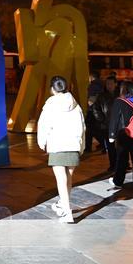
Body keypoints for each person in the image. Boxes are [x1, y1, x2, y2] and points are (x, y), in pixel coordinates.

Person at [36, 76, 85, 224]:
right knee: (68, 178)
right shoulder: (76, 105)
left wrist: (42, 142)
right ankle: (62, 204)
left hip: (58, 145)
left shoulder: (50, 104)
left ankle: (67, 211)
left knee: (61, 179)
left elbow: (43, 125)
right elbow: (82, 126)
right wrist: (81, 146)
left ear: (52, 89)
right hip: (73, 145)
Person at [107, 81, 133, 193]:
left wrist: (111, 135)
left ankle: (118, 182)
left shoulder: (119, 101)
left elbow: (114, 119)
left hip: (124, 134)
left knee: (122, 159)